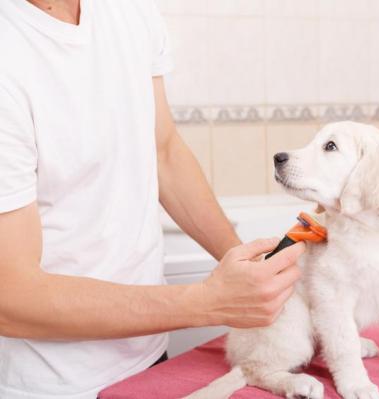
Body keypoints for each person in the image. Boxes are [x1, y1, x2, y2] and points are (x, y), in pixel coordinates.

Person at [0, 1, 304, 398]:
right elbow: (12, 296)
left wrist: (250, 271)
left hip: (148, 359)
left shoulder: (131, 11)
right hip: (54, 382)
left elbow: (163, 151)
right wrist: (208, 303)